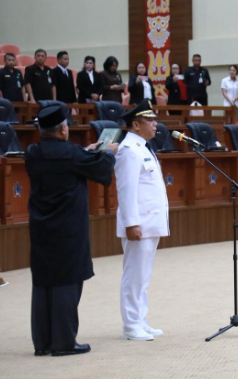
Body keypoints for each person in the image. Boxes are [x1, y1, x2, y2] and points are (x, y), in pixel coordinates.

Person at [25, 103, 117, 356]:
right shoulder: (72, 155)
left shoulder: (32, 152)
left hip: (41, 227)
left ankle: (42, 343)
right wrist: (107, 152)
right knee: (67, 281)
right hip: (68, 229)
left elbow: (67, 159)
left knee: (43, 283)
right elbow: (100, 168)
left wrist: (85, 152)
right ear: (64, 129)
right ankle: (64, 343)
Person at [116, 99, 170, 341]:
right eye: (150, 120)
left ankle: (140, 319)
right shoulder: (128, 150)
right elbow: (126, 190)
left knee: (143, 276)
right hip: (139, 224)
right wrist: (130, 223)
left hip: (150, 222)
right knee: (134, 276)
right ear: (136, 125)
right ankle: (130, 325)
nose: (155, 123)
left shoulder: (144, 147)